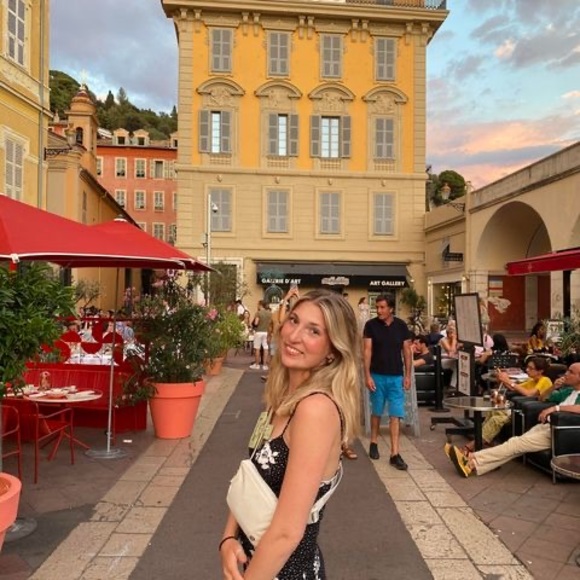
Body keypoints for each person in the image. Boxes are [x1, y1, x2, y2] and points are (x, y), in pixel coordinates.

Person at [220, 290, 361, 579]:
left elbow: (286, 533)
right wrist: (228, 537)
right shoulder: (284, 398)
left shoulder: (315, 409)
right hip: (257, 564)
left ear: (333, 350)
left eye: (313, 331)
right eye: (294, 320)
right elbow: (251, 472)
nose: (294, 336)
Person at [446, 362, 580, 477]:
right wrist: (553, 387)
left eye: (571, 372)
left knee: (516, 444)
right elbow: (542, 398)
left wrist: (556, 408)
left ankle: (470, 457)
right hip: (545, 426)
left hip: (559, 431)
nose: (566, 374)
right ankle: (472, 465)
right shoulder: (568, 391)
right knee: (515, 445)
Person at [463, 356, 553, 453]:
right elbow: (513, 388)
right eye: (527, 367)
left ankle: (471, 446)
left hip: (529, 411)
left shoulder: (545, 380)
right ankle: (481, 441)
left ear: (540, 371)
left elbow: (529, 394)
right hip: (518, 408)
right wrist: (502, 379)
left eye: (531, 368)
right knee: (493, 411)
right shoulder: (532, 380)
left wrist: (508, 381)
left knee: (497, 419)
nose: (527, 370)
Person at [363, 294, 412, 469]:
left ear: (391, 308)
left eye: (382, 307)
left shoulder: (401, 326)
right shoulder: (371, 326)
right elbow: (367, 351)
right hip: (377, 375)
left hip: (396, 376)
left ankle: (394, 453)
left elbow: (407, 352)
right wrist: (367, 375)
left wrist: (407, 375)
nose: (379, 310)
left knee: (395, 415)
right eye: (377, 307)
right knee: (376, 411)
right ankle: (374, 442)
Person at [249, 301, 272, 371]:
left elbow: (256, 323)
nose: (257, 306)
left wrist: (253, 325)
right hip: (266, 332)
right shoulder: (269, 313)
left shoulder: (258, 313)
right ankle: (265, 365)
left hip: (259, 332)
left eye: (258, 305)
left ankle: (257, 364)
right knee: (265, 348)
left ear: (260, 305)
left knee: (257, 348)